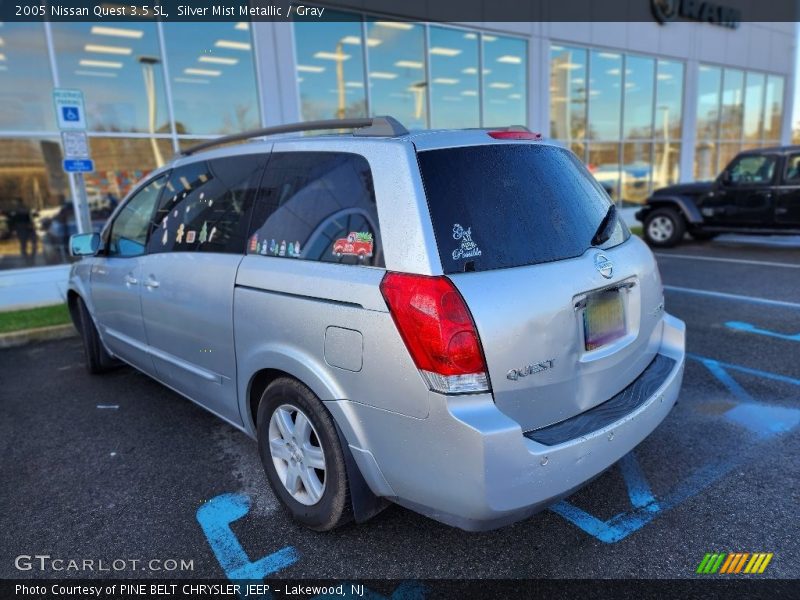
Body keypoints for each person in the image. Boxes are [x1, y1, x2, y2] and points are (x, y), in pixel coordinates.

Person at [9, 198, 37, 264]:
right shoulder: (14, 211)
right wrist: (13, 230)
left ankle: (31, 257)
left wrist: (31, 223)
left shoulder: (25, 209)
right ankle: (26, 259)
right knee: (24, 244)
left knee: (33, 243)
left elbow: (30, 217)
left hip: (28, 228)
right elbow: (11, 221)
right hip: (21, 229)